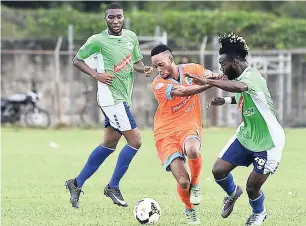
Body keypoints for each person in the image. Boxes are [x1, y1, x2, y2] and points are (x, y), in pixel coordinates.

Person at [186, 32, 286, 226]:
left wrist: (207, 81)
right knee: (218, 170)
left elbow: (239, 88)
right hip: (246, 135)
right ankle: (232, 193)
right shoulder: (241, 77)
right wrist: (223, 100)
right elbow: (242, 97)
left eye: (223, 64)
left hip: (268, 141)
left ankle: (259, 213)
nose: (221, 68)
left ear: (234, 62)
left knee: (252, 187)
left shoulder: (252, 76)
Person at [65, 3, 154, 209]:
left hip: (123, 98)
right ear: (105, 19)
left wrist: (145, 70)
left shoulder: (131, 37)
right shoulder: (98, 40)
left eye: (119, 17)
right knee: (135, 141)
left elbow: (135, 63)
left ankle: (76, 183)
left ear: (124, 18)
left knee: (109, 145)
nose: (115, 21)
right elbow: (77, 60)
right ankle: (112, 186)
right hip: (111, 99)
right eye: (111, 17)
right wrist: (96, 74)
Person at [150, 44, 218, 224]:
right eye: (155, 66)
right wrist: (208, 83)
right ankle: (189, 209)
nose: (159, 69)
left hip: (189, 125)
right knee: (182, 181)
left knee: (193, 150)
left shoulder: (193, 69)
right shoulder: (157, 83)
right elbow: (183, 91)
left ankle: (196, 184)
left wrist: (219, 76)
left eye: (161, 64)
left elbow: (212, 75)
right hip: (165, 133)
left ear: (171, 59)